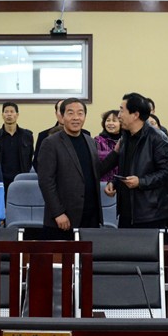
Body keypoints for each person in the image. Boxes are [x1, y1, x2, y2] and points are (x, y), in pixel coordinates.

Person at [36, 99, 112, 239]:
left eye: (80, 113)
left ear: (85, 116)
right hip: (63, 218)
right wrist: (58, 213)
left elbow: (96, 172)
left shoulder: (90, 141)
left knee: (88, 253)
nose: (76, 117)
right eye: (70, 113)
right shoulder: (50, 143)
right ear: (62, 116)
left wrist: (116, 153)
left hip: (90, 216)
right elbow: (46, 182)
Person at [104, 92, 168, 228]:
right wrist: (115, 182)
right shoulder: (125, 137)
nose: (119, 115)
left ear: (135, 115)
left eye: (122, 110)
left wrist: (141, 182)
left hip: (149, 214)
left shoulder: (157, 138)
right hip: (126, 211)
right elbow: (128, 168)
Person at [0, 102, 34, 194]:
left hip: (21, 179)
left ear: (17, 115)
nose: (9, 114)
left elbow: (30, 156)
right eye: (6, 112)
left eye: (12, 112)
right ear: (2, 115)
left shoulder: (27, 136)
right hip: (1, 179)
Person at [33, 100, 64, 169]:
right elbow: (37, 162)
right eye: (60, 110)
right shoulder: (43, 135)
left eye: (66, 111)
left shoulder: (84, 134)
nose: (63, 114)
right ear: (56, 113)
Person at [95, 110, 121, 183]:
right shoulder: (98, 140)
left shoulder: (126, 141)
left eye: (114, 121)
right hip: (103, 183)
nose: (110, 123)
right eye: (108, 120)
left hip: (121, 183)